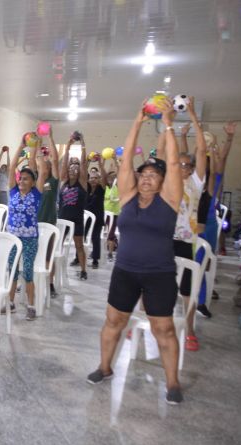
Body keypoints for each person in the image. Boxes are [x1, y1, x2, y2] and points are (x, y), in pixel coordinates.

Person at [86, 97, 185, 405]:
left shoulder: (169, 199)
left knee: (163, 328)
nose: (146, 177)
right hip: (125, 271)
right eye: (143, 174)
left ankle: (172, 383)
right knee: (113, 321)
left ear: (162, 180)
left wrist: (168, 123)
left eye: (152, 174)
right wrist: (137, 120)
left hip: (159, 274)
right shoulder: (128, 197)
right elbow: (126, 158)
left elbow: (171, 162)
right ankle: (105, 367)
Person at [169, 97, 207, 351]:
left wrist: (193, 115)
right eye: (180, 164)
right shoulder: (168, 179)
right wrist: (168, 124)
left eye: (188, 165)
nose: (183, 167)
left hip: (186, 241)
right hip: (164, 238)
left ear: (192, 168)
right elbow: (167, 155)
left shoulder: (196, 183)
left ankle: (190, 330)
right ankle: (147, 319)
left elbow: (201, 150)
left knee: (186, 289)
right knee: (154, 283)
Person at [3, 137, 47, 320]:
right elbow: (13, 167)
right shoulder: (13, 190)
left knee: (27, 271)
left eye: (26, 179)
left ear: (33, 182)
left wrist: (36, 148)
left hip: (30, 239)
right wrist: (21, 145)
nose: (21, 181)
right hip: (12, 238)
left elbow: (42, 170)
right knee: (12, 270)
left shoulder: (36, 194)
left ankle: (31, 306)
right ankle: (10, 303)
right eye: (21, 178)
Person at [196, 122, 236, 317]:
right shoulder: (193, 177)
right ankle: (198, 294)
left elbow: (224, 157)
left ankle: (203, 294)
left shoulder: (215, 178)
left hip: (209, 225)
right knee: (194, 262)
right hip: (191, 225)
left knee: (204, 262)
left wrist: (229, 138)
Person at [59, 132, 89, 280]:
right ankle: (54, 269)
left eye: (76, 168)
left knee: (79, 246)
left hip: (76, 220)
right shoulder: (63, 181)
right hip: (63, 220)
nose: (73, 169)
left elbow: (83, 163)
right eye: (71, 168)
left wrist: (82, 143)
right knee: (57, 247)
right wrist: (69, 145)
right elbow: (64, 163)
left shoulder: (82, 183)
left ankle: (83, 271)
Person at [37, 129, 60, 297]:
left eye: (48, 165)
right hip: (35, 223)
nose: (45, 165)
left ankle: (50, 284)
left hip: (49, 223)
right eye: (42, 164)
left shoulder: (54, 180)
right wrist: (36, 144)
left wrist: (49, 137)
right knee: (34, 253)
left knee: (48, 255)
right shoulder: (34, 182)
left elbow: (56, 159)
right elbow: (35, 160)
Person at [85, 165, 106, 269]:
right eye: (91, 178)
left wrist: (101, 163)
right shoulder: (87, 188)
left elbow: (105, 178)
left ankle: (95, 260)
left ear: (99, 180)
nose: (93, 180)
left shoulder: (101, 189)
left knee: (95, 238)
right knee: (81, 237)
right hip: (86, 219)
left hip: (97, 219)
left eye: (96, 178)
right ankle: (77, 258)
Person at [103, 158, 120, 261]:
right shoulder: (105, 187)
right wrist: (106, 165)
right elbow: (104, 174)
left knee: (111, 234)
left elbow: (120, 174)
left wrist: (116, 161)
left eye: (113, 177)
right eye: (109, 177)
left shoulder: (117, 186)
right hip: (104, 213)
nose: (111, 178)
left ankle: (110, 253)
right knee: (100, 232)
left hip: (114, 214)